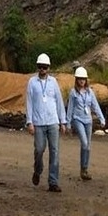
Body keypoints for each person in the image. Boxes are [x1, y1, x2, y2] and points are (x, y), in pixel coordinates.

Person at [25, 53, 67, 192]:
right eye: (40, 67)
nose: (42, 69)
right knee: (39, 149)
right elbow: (29, 102)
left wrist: (63, 121)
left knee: (55, 151)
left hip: (52, 120)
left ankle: (53, 182)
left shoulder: (53, 82)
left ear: (48, 68)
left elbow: (59, 101)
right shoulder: (32, 82)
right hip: (38, 122)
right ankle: (38, 170)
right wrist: (29, 122)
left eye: (45, 67)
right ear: (37, 67)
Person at [66, 66, 106, 181]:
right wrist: (68, 123)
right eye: (79, 79)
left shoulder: (90, 92)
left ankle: (84, 169)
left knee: (88, 146)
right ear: (76, 79)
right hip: (77, 118)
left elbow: (95, 105)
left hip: (88, 120)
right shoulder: (73, 93)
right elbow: (70, 108)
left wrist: (101, 118)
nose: (82, 81)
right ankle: (83, 167)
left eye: (83, 79)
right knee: (84, 142)